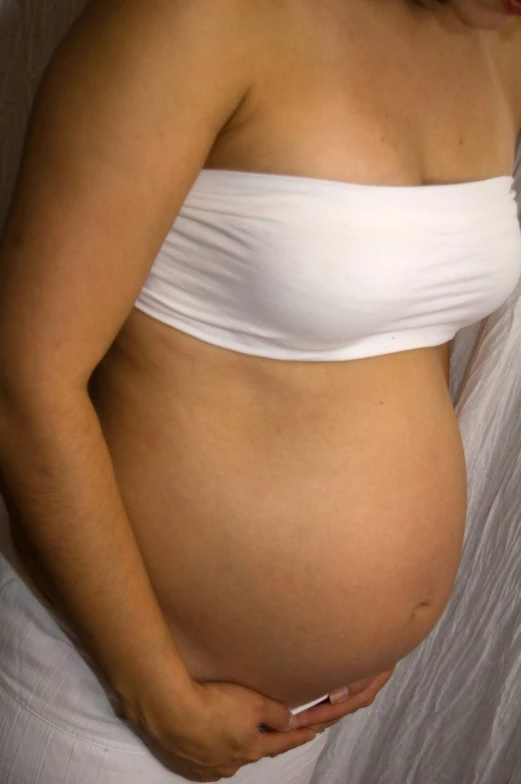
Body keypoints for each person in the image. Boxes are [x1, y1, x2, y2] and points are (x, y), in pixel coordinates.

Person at [0, 0, 520, 781]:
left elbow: (407, 321)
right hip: (114, 694)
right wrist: (152, 693)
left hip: (294, 715)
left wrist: (357, 620)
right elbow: (25, 379)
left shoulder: (495, 38)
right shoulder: (198, 17)